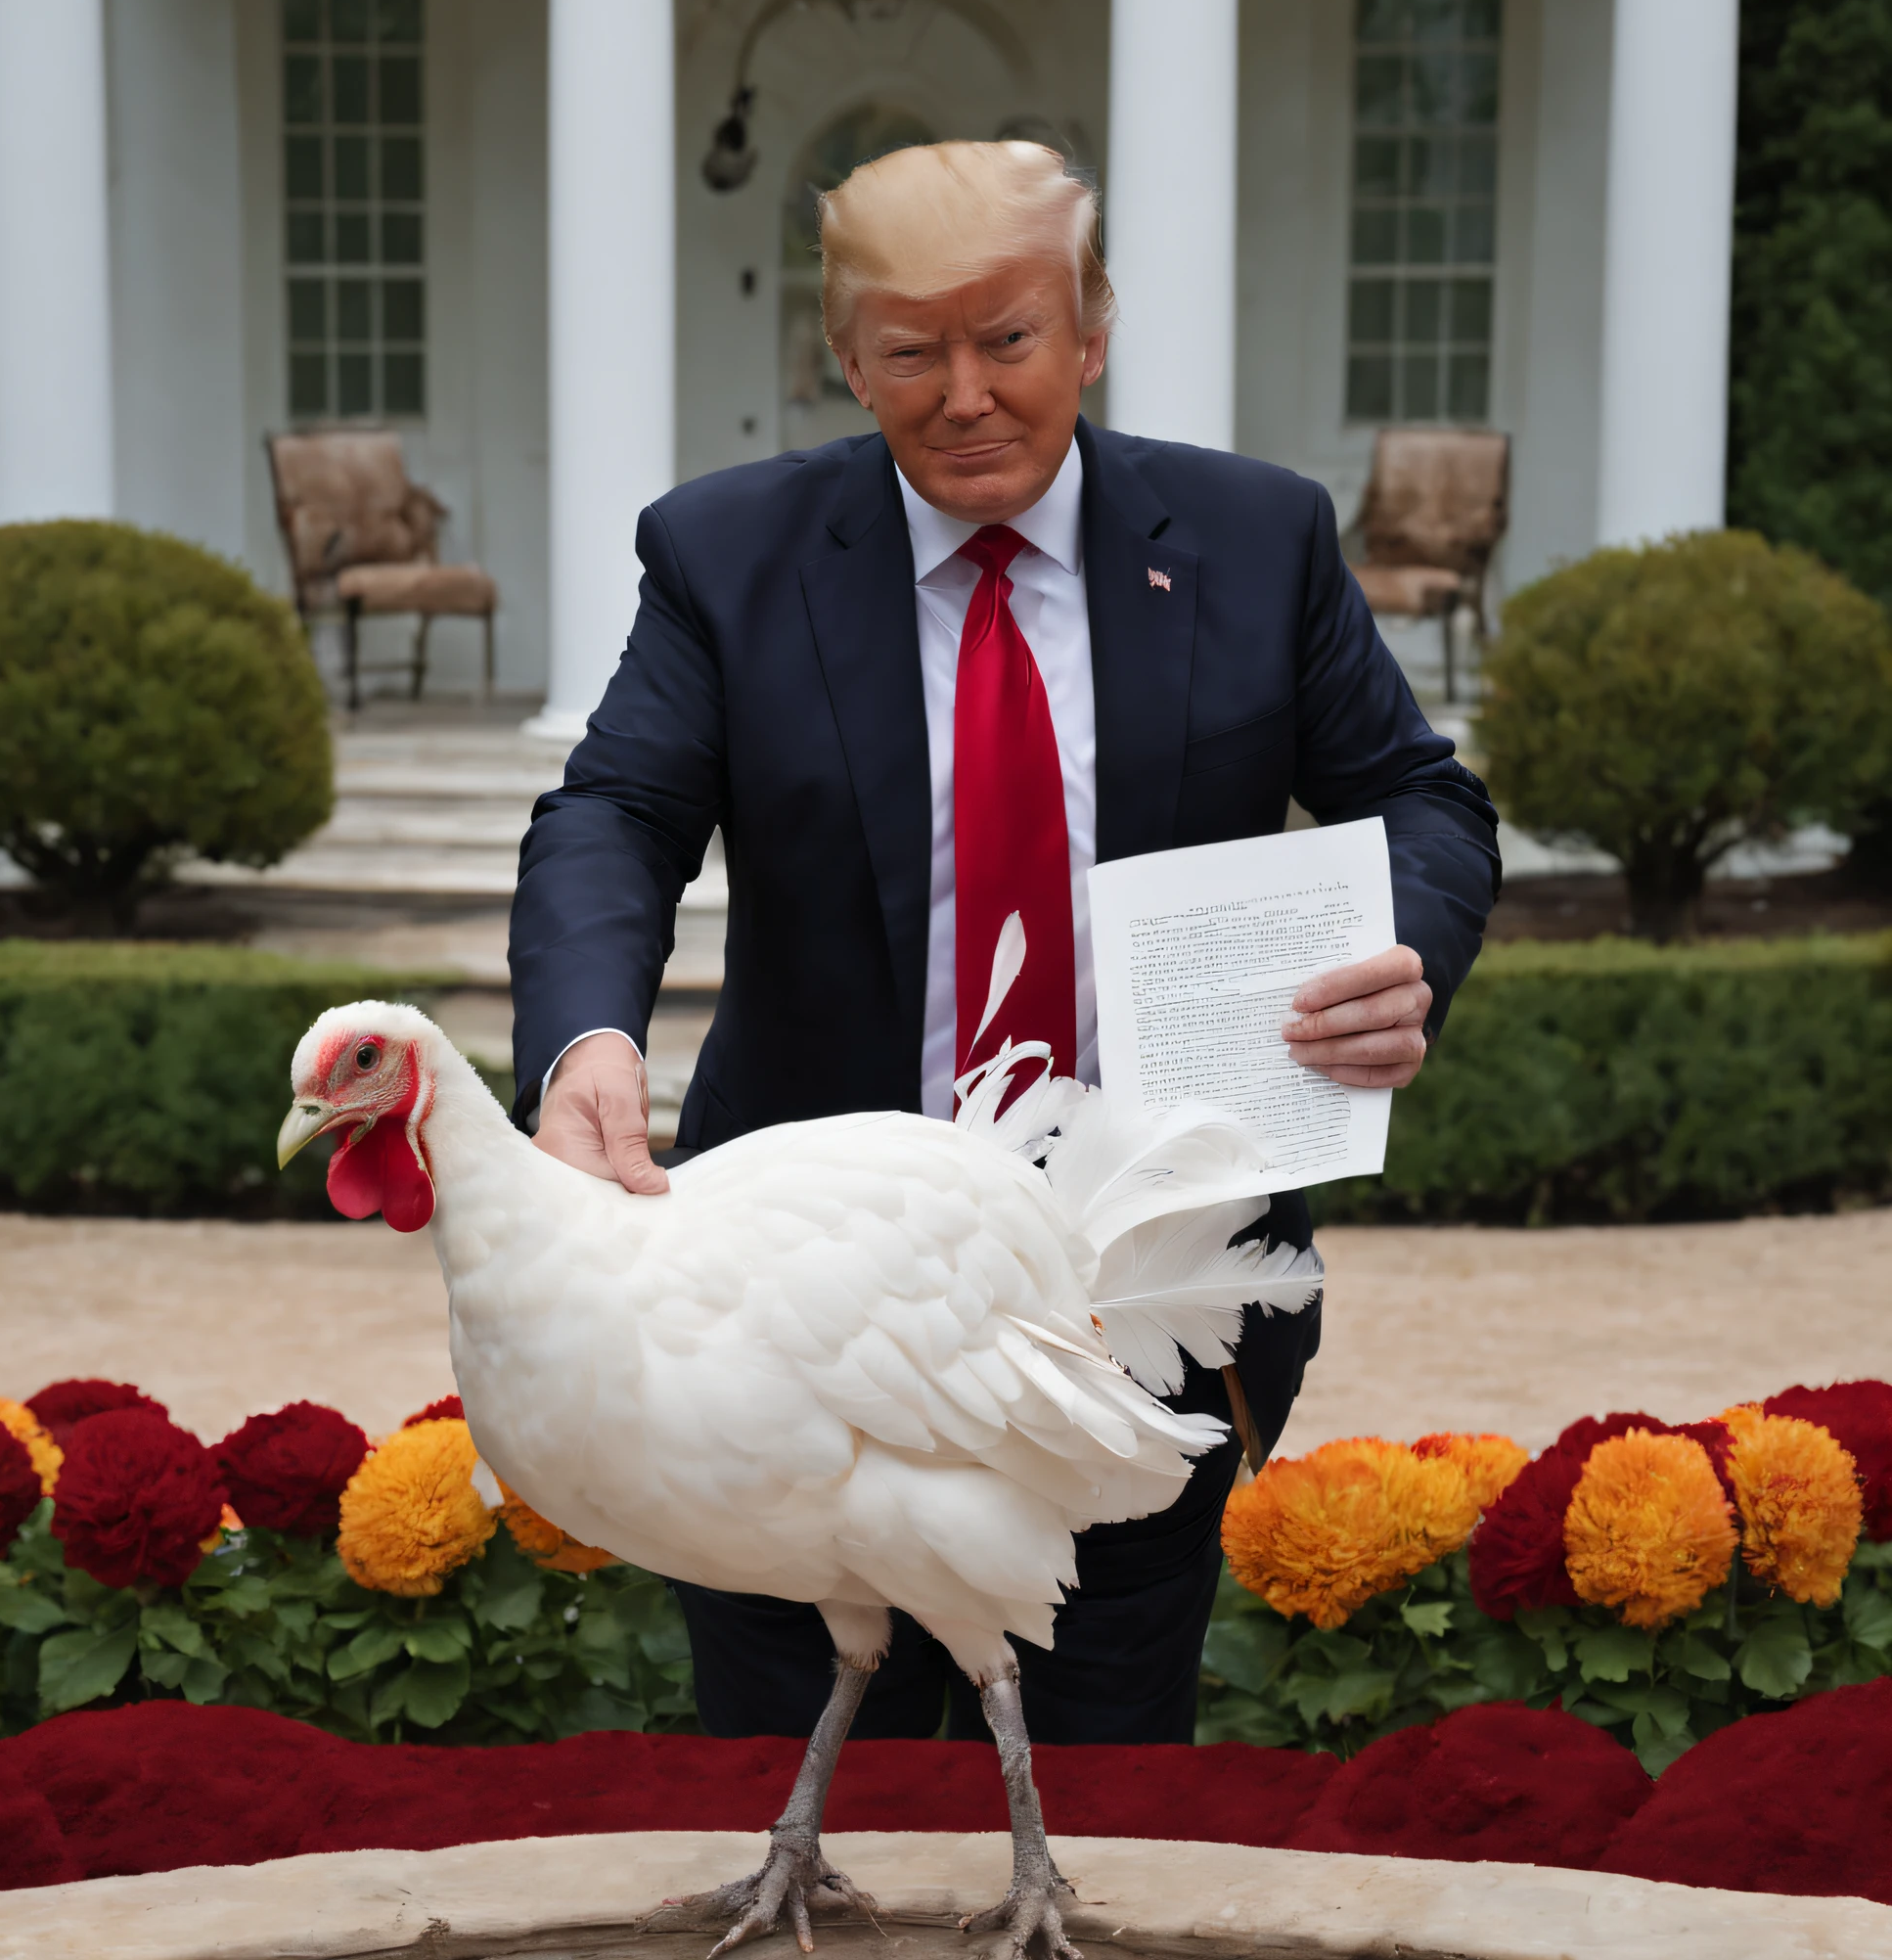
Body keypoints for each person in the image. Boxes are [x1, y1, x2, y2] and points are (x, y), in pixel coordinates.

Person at [509, 140, 1499, 1746]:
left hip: (1137, 1308)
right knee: (806, 1816)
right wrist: (584, 1042)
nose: (964, 392)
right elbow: (611, 814)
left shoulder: (1257, 539)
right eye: (912, 350)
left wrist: (1406, 951)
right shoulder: (725, 554)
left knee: (1101, 1831)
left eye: (1010, 339)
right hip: (797, 1337)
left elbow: (1419, 798)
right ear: (849, 358)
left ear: (1092, 329)